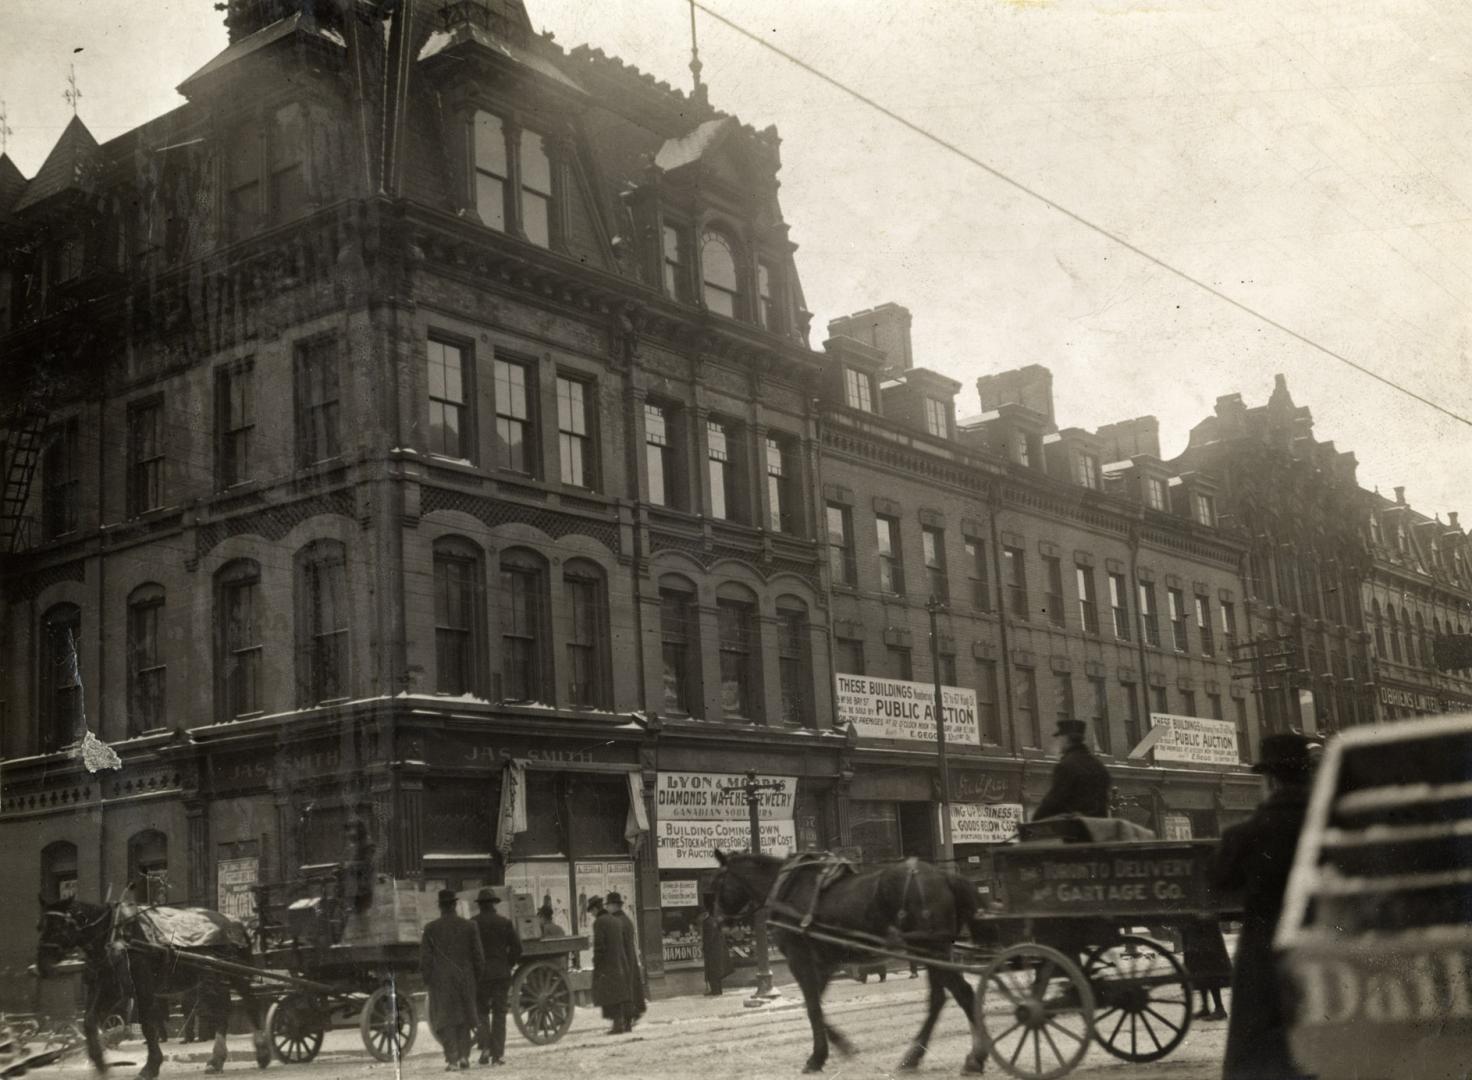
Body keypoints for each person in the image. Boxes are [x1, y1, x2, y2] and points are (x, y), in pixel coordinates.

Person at [1209, 733, 1317, 1080]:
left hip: (1264, 955)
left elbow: (1219, 880)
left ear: (1270, 780)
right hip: (1325, 949)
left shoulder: (1246, 834)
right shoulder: (1330, 825)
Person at [421, 888, 484, 1071]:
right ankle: (464, 1056)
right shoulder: (469, 926)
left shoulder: (431, 929)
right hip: (465, 979)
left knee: (446, 1020)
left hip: (441, 982)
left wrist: (428, 980)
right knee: (464, 1018)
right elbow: (479, 957)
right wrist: (474, 978)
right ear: (455, 905)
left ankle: (453, 1059)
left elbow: (425, 960)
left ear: (440, 907)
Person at [471, 888, 522, 1067]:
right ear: (494, 903)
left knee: (482, 1013)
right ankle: (497, 1055)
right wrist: (508, 964)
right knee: (500, 1014)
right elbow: (517, 948)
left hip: (481, 976)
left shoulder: (473, 923)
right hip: (501, 974)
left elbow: (470, 952)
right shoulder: (504, 922)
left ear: (480, 905)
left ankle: (485, 1048)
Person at [1032, 718, 1112, 820]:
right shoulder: (1099, 766)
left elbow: (1054, 801)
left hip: (1077, 830)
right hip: (1098, 830)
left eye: (1059, 738)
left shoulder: (1066, 765)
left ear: (1066, 739)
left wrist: (1034, 821)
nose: (1058, 741)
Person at [588, 895, 634, 1034]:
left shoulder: (599, 922)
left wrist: (596, 962)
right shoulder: (615, 920)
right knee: (619, 994)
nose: (591, 914)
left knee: (610, 995)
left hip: (607, 964)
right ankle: (625, 1023)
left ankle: (617, 1025)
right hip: (619, 962)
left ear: (596, 909)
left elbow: (599, 946)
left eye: (591, 911)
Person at [606, 892, 646, 1029]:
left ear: (614, 906)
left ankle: (621, 1022)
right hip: (629, 960)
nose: (607, 908)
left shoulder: (615, 922)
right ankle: (628, 1021)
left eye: (609, 905)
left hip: (620, 961)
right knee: (629, 990)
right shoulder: (626, 920)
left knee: (619, 992)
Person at [1179, 916, 1230, 1020]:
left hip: (1204, 926)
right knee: (1198, 966)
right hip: (1196, 925)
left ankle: (1219, 1008)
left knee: (1209, 966)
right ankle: (1205, 1007)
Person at [699, 904, 728, 996]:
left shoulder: (707, 922)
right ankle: (718, 990)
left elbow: (709, 937)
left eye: (699, 915)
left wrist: (704, 948)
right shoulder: (712, 920)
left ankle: (715, 991)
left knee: (712, 971)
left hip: (712, 950)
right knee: (716, 971)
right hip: (717, 950)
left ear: (703, 914)